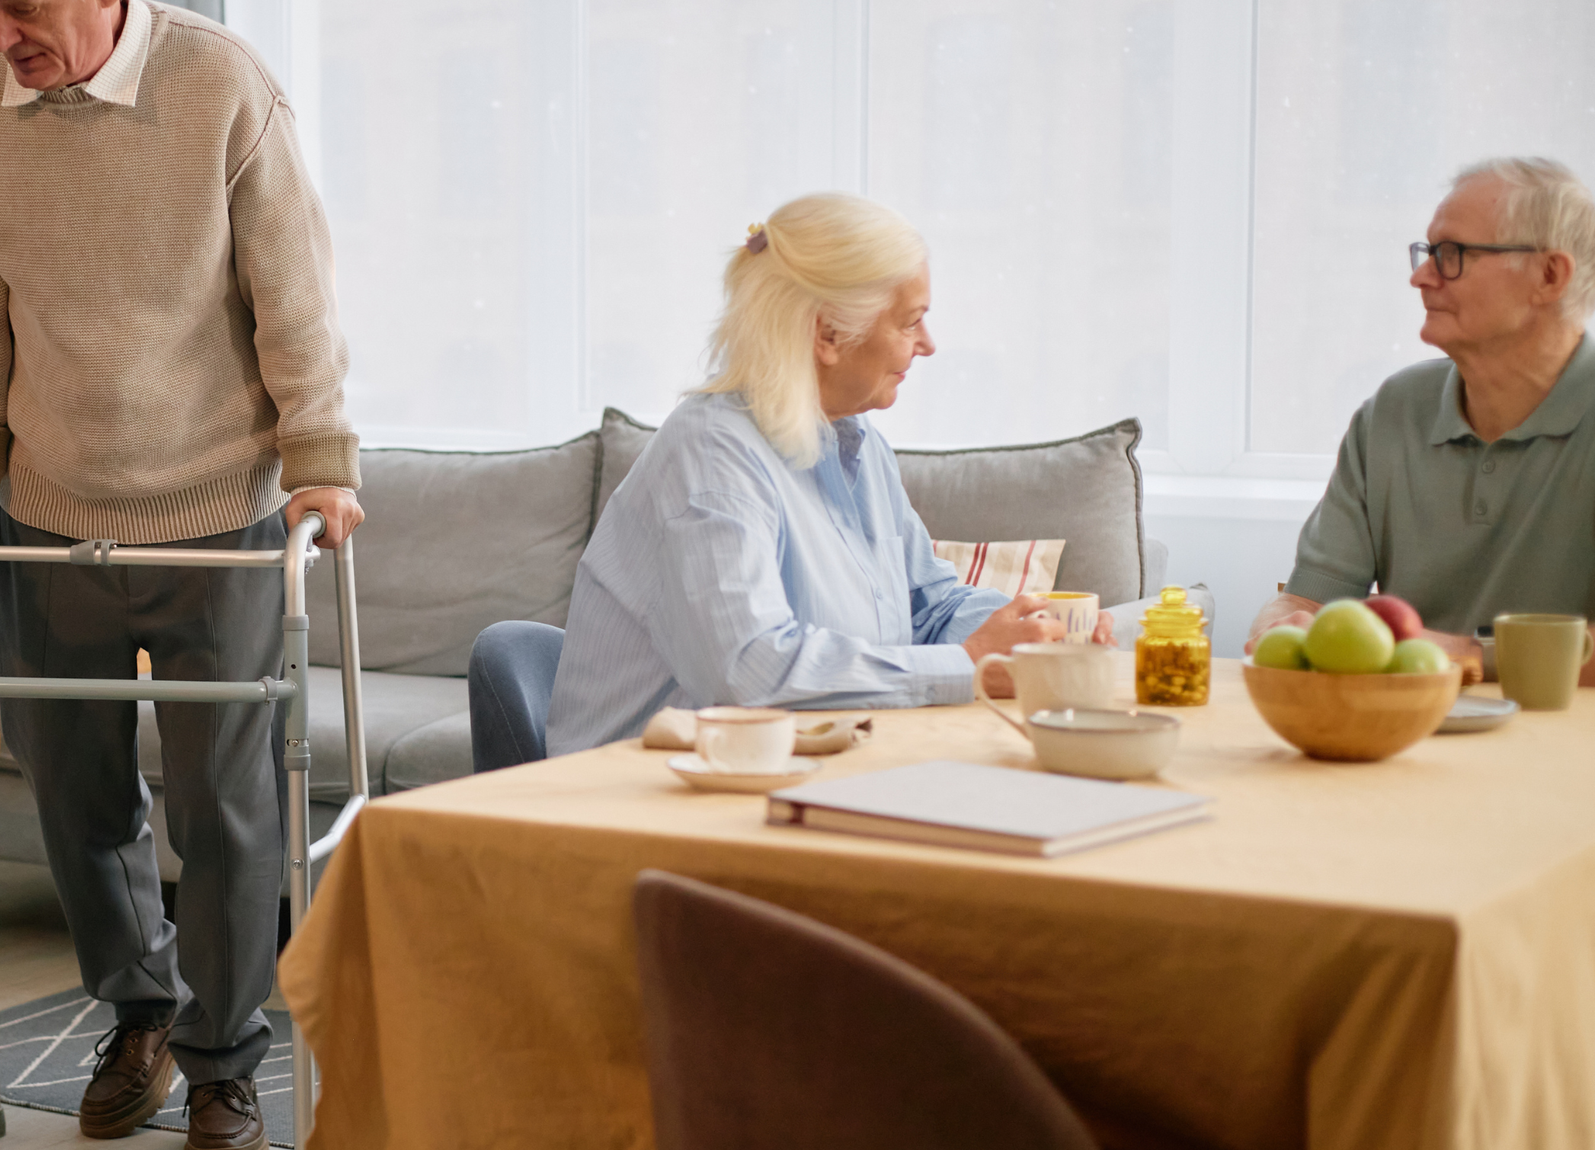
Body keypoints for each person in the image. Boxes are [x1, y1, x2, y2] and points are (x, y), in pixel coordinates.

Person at [0, 0, 361, 1150]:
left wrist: (321, 456)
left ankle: (226, 1068)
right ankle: (139, 1016)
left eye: (19, 4)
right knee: (77, 795)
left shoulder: (220, 85)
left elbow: (297, 289)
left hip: (218, 510)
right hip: (50, 512)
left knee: (224, 813)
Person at [547, 193, 1111, 756]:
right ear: (828, 335)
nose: (929, 345)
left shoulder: (857, 443)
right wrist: (968, 664)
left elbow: (927, 606)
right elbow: (748, 672)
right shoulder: (711, 456)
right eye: (911, 321)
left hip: (787, 768)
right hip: (645, 793)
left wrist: (1037, 634)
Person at [1245, 157, 1595, 684]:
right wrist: (1284, 627)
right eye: (1428, 252)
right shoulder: (1393, 410)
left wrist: (1465, 655)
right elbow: (1307, 599)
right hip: (1396, 732)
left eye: (1452, 254)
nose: (1420, 276)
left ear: (1549, 275)